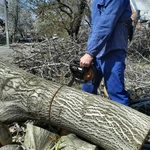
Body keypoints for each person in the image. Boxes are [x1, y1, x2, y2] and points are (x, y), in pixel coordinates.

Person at [80, 0, 132, 106]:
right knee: (87, 88)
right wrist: (90, 50)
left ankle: (122, 120)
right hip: (97, 51)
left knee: (115, 92)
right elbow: (94, 26)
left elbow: (106, 24)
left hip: (113, 49)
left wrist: (90, 53)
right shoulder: (96, 2)